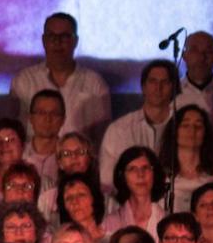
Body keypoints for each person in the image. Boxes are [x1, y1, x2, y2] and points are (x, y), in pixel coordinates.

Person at [10, 12, 110, 141]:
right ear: (44, 41)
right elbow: (11, 133)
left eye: (64, 37)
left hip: (79, 159)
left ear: (75, 41)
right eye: (52, 37)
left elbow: (103, 139)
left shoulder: (95, 84)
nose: (57, 43)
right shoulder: (24, 81)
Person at [99, 60, 179, 175]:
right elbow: (107, 178)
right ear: (143, 86)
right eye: (153, 81)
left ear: (173, 88)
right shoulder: (119, 129)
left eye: (165, 82)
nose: (158, 88)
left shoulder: (184, 126)